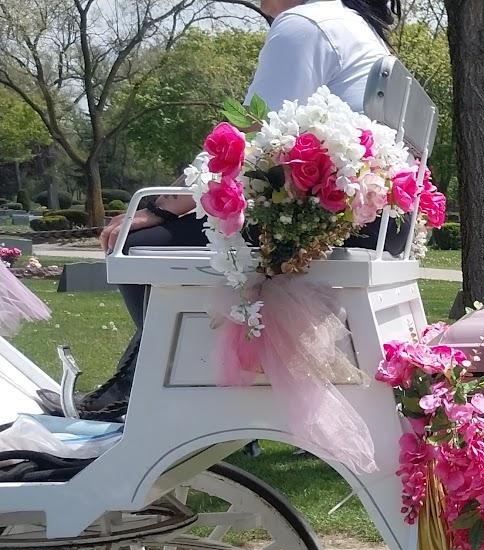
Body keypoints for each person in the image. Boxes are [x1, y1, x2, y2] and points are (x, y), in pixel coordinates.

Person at [60, 0, 401, 420]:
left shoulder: (304, 24)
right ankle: (151, 380)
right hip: (363, 223)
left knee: (135, 242)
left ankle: (147, 391)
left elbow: (247, 138)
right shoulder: (357, 30)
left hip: (316, 222)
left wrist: (161, 208)